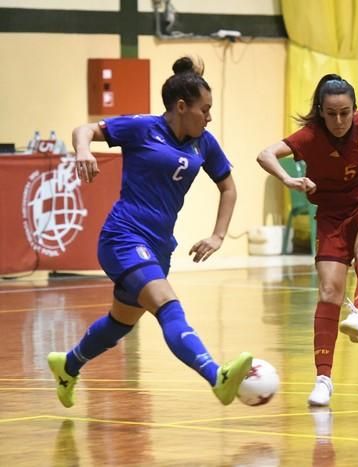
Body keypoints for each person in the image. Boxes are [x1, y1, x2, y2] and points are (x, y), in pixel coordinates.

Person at [47, 57, 253, 408]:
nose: (209, 117)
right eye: (205, 110)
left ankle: (67, 365)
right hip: (124, 237)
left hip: (159, 246)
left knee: (119, 324)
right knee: (169, 306)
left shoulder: (205, 143)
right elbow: (86, 130)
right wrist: (84, 151)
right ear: (182, 106)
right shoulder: (142, 128)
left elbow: (228, 188)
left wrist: (218, 236)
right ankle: (215, 375)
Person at [256, 74, 358, 406]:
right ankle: (323, 380)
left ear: (355, 110)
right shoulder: (308, 137)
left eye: (345, 113)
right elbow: (265, 154)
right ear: (320, 111)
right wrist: (288, 179)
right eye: (332, 113)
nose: (339, 121)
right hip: (332, 211)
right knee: (329, 290)